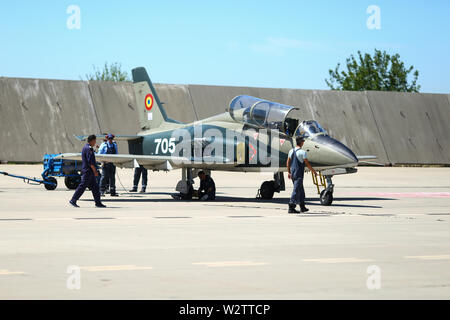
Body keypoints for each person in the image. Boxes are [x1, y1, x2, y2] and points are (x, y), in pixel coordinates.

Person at [69, 135, 106, 208]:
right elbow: (91, 162)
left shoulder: (86, 147)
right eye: (95, 141)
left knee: (95, 187)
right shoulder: (89, 149)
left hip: (89, 171)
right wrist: (95, 171)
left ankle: (98, 203)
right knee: (82, 186)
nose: (95, 142)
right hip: (88, 171)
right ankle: (73, 200)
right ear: (92, 141)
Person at [286, 136, 317, 214]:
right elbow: (307, 164)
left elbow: (288, 162)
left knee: (301, 190)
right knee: (296, 190)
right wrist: (313, 171)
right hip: (299, 174)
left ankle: (302, 206)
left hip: (293, 173)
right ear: (301, 142)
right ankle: (291, 206)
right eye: (303, 141)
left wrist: (289, 172)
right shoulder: (303, 152)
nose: (303, 142)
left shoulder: (291, 151)